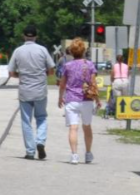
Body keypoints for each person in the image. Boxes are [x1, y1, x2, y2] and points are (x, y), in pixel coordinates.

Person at [7, 25, 54, 161]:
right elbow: (51, 70)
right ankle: (40, 141)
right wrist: (42, 74)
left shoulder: (18, 51)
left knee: (26, 121)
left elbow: (11, 72)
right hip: (40, 91)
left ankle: (30, 151)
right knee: (42, 117)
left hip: (25, 91)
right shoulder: (42, 50)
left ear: (24, 36)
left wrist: (21, 75)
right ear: (36, 36)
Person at [58, 38, 98, 165]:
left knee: (73, 128)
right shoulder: (90, 65)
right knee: (87, 127)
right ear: (84, 51)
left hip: (71, 100)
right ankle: (88, 153)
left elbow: (62, 84)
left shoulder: (67, 66)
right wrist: (97, 99)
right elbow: (93, 84)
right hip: (86, 100)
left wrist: (60, 97)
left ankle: (74, 155)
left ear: (71, 51)